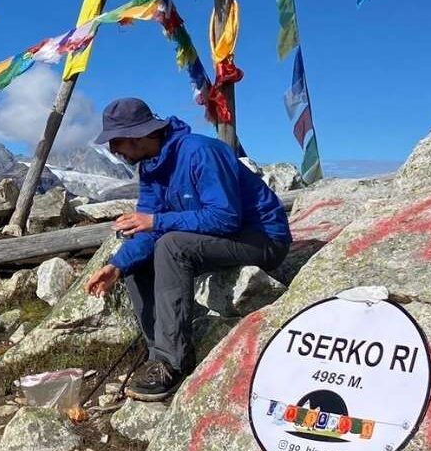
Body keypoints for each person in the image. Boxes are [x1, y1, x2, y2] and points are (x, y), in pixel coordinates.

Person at [84, 97, 291, 402]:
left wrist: (156, 220)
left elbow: (225, 217)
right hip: (220, 240)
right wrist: (117, 266)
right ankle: (160, 356)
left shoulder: (201, 152)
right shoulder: (152, 168)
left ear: (139, 135)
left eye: (117, 141)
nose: (113, 150)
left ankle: (173, 362)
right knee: (138, 260)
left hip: (262, 238)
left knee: (171, 245)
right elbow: (147, 229)